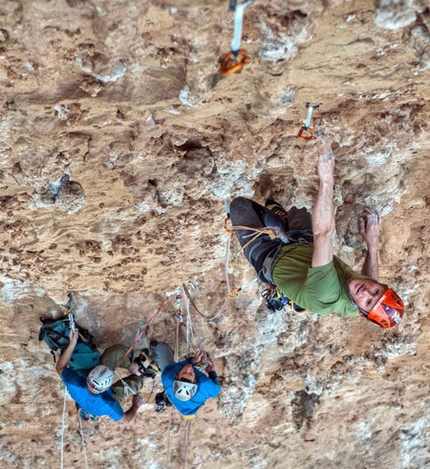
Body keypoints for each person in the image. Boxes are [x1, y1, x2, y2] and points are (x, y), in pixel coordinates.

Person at [229, 148, 404, 328]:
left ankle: (279, 223)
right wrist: (372, 245)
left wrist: (327, 180)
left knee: (239, 206)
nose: (366, 292)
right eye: (376, 291)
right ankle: (284, 223)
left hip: (270, 256)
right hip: (306, 245)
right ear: (379, 284)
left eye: (368, 302)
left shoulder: (327, 294)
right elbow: (370, 280)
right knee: (305, 200)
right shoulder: (360, 299)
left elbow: (323, 235)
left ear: (361, 312)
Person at [56, 329, 149, 422]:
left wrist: (71, 344)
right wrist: (136, 405)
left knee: (115, 353)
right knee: (127, 387)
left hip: (88, 403)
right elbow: (126, 419)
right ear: (107, 388)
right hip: (99, 403)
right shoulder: (108, 404)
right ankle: (145, 378)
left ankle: (133, 367)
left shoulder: (74, 384)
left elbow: (60, 368)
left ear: (89, 376)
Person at [149, 340, 221, 417]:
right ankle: (169, 400)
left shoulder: (168, 377)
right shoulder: (204, 385)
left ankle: (155, 348)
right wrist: (211, 372)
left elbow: (179, 366)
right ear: (195, 381)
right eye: (190, 374)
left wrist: (191, 361)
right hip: (190, 407)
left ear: (177, 377)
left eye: (184, 373)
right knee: (172, 399)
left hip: (177, 400)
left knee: (162, 348)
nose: (188, 369)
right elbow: (216, 391)